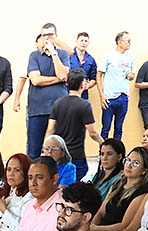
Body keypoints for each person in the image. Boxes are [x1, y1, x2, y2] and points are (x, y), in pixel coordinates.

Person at [47, 68, 103, 181]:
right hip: (76, 154)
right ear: (82, 84)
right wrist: (104, 143)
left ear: (67, 83)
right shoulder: (84, 105)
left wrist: (46, 149)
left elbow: (50, 130)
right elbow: (93, 133)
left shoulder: (57, 103)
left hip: (59, 153)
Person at [90, 146, 148, 231]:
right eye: (128, 161)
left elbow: (124, 226)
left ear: (144, 170)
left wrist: (96, 228)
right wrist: (91, 229)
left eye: (135, 163)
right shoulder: (117, 184)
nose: (129, 166)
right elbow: (101, 212)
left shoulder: (143, 192)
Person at [26, 23, 69, 157]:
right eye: (44, 35)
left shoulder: (62, 54)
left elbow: (63, 74)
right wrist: (58, 79)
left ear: (56, 36)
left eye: (50, 35)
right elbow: (36, 80)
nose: (47, 38)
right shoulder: (34, 56)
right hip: (37, 110)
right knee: (34, 150)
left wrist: (54, 53)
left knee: (58, 151)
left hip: (59, 110)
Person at [99, 31, 136, 141]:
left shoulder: (130, 56)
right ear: (120, 42)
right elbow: (99, 75)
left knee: (119, 128)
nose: (130, 43)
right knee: (105, 128)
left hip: (123, 96)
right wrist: (101, 95)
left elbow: (132, 76)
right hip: (109, 97)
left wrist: (130, 75)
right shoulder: (108, 55)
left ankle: (117, 150)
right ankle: (102, 149)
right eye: (128, 41)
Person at [69, 32, 98, 101]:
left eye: (86, 41)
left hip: (83, 96)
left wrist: (87, 85)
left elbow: (94, 79)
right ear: (76, 41)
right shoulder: (69, 56)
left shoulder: (91, 59)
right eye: (81, 40)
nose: (83, 43)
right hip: (69, 93)